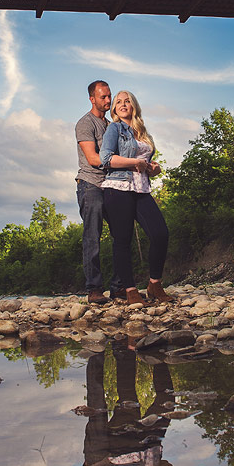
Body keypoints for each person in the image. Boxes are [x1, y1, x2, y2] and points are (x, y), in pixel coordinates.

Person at [99, 90, 174, 305]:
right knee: (123, 240)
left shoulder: (143, 132)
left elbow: (145, 160)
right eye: (118, 102)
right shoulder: (114, 128)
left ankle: (154, 284)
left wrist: (154, 167)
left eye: (127, 101)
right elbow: (105, 159)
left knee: (160, 233)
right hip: (118, 187)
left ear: (134, 105)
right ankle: (130, 290)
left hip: (141, 189)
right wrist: (134, 164)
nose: (123, 104)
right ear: (114, 109)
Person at [74, 80, 113, 305]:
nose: (107, 101)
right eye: (102, 97)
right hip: (90, 184)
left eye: (109, 96)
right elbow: (93, 159)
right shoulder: (85, 123)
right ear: (92, 98)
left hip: (111, 185)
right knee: (92, 236)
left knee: (122, 232)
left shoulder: (111, 125)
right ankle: (94, 289)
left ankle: (119, 287)